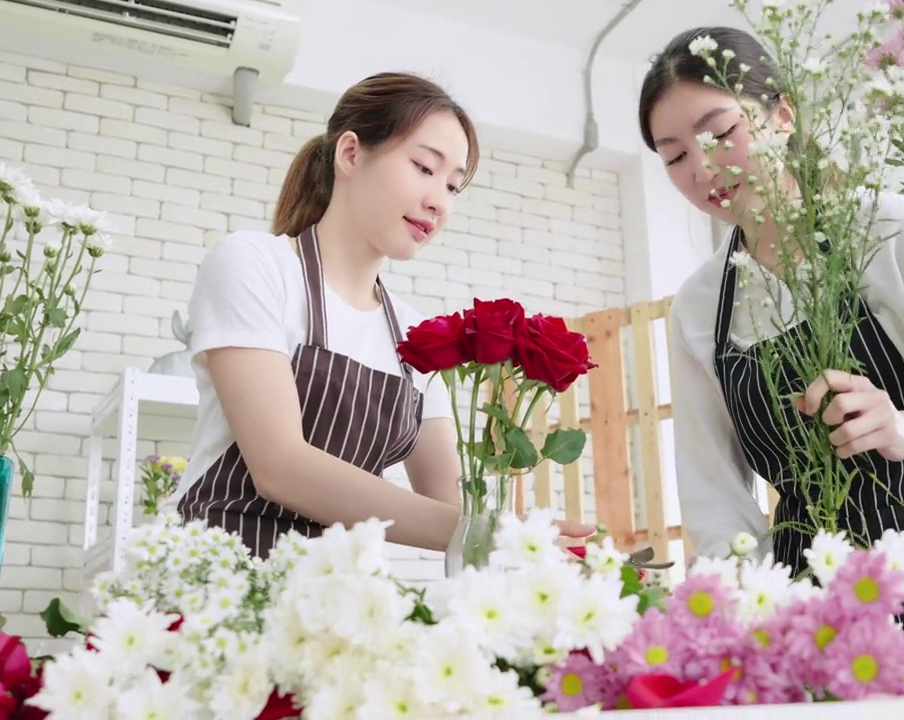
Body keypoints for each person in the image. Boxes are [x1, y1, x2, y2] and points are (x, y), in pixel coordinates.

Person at [640, 28, 904, 684]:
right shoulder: (697, 307)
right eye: (673, 155)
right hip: (814, 603)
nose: (702, 167)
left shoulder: (890, 226)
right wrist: (747, 635)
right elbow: (717, 504)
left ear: (782, 115)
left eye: (720, 132)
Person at [168, 72, 592, 559]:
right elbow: (279, 466)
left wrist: (518, 531)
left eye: (454, 187)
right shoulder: (256, 264)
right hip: (216, 583)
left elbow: (451, 504)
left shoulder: (417, 337)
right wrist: (492, 532)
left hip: (338, 599)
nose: (439, 202)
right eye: (424, 168)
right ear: (351, 154)